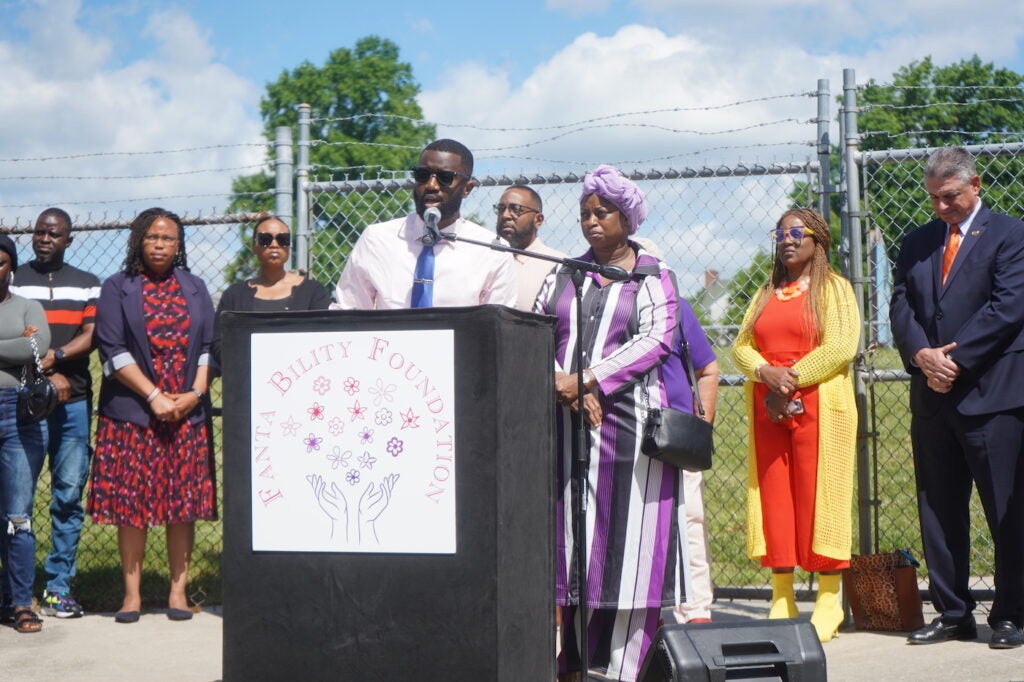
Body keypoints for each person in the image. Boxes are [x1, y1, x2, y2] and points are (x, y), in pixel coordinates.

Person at [535, 165, 682, 682]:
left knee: (630, 548)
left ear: (627, 216)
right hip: (564, 422)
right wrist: (567, 385)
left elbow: (658, 338)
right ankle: (570, 665)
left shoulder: (653, 274)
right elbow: (536, 331)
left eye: (603, 213)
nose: (592, 222)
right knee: (571, 547)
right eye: (585, 214)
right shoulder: (561, 272)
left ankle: (624, 670)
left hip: (631, 430)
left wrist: (593, 379)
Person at [890, 146, 1024, 649]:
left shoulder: (1012, 235)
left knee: (1006, 506)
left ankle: (1011, 612)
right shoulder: (918, 242)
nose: (941, 208)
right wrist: (922, 356)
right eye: (934, 199)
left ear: (976, 185)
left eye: (949, 197)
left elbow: (1008, 307)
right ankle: (952, 611)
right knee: (939, 509)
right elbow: (901, 304)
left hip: (993, 396)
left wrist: (954, 359)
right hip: (933, 397)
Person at [732, 207, 859, 643]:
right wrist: (766, 375)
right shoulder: (766, 292)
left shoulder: (836, 289)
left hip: (820, 404)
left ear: (817, 241)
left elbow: (841, 346)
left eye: (796, 233)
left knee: (819, 494)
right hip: (768, 406)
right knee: (774, 497)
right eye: (780, 233)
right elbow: (741, 346)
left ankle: (828, 599)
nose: (787, 240)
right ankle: (781, 595)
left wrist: (789, 380)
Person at [89, 207, 217, 623]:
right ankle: (132, 596)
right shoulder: (116, 287)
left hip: (186, 412)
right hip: (132, 413)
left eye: (169, 239)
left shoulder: (195, 287)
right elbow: (111, 349)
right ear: (138, 241)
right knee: (133, 504)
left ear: (179, 246)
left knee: (181, 502)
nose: (161, 245)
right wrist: (155, 396)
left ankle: (178, 594)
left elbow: (208, 349)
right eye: (153, 237)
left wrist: (194, 394)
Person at [10, 208, 99, 619]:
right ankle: (16, 590)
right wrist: (38, 369)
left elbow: (91, 334)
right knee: (17, 500)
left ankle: (58, 588)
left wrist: (56, 359)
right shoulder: (13, 278)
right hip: (24, 402)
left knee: (66, 496)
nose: (45, 238)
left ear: (69, 240)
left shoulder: (86, 284)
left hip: (73, 400)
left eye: (54, 233)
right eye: (39, 232)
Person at [633, 237, 719, 624]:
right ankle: (646, 607)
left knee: (689, 519)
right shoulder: (614, 312)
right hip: (628, 432)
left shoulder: (678, 309)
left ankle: (696, 608)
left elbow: (708, 370)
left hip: (674, 434)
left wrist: (701, 427)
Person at [332, 138, 517, 310]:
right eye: (423, 175)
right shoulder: (377, 239)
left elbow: (496, 328)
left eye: (445, 178)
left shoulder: (492, 251)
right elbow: (348, 312)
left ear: (467, 188)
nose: (431, 185)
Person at [0, 233, 50, 633]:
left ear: (11, 266)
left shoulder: (28, 305)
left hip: (18, 413)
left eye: (0, 261)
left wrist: (26, 343)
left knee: (18, 515)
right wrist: (15, 341)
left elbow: (41, 345)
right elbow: (21, 347)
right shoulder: (22, 319)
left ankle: (20, 603)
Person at [213, 215, 331, 365]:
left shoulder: (313, 292)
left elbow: (323, 339)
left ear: (289, 247)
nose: (274, 245)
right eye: (265, 239)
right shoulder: (234, 295)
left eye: (283, 239)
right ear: (254, 246)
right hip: (246, 380)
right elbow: (218, 343)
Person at [493, 184, 567, 311]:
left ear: (538, 220)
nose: (505, 215)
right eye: (501, 209)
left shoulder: (559, 266)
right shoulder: (486, 257)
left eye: (516, 209)